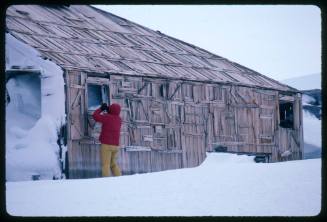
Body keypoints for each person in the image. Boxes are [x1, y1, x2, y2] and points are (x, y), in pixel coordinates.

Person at [92, 103, 122, 177]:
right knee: (113, 164)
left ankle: (106, 182)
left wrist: (101, 109)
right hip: (115, 146)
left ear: (110, 110)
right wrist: (109, 110)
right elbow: (113, 116)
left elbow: (95, 116)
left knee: (106, 165)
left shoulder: (107, 117)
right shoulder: (119, 120)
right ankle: (120, 179)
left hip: (106, 145)